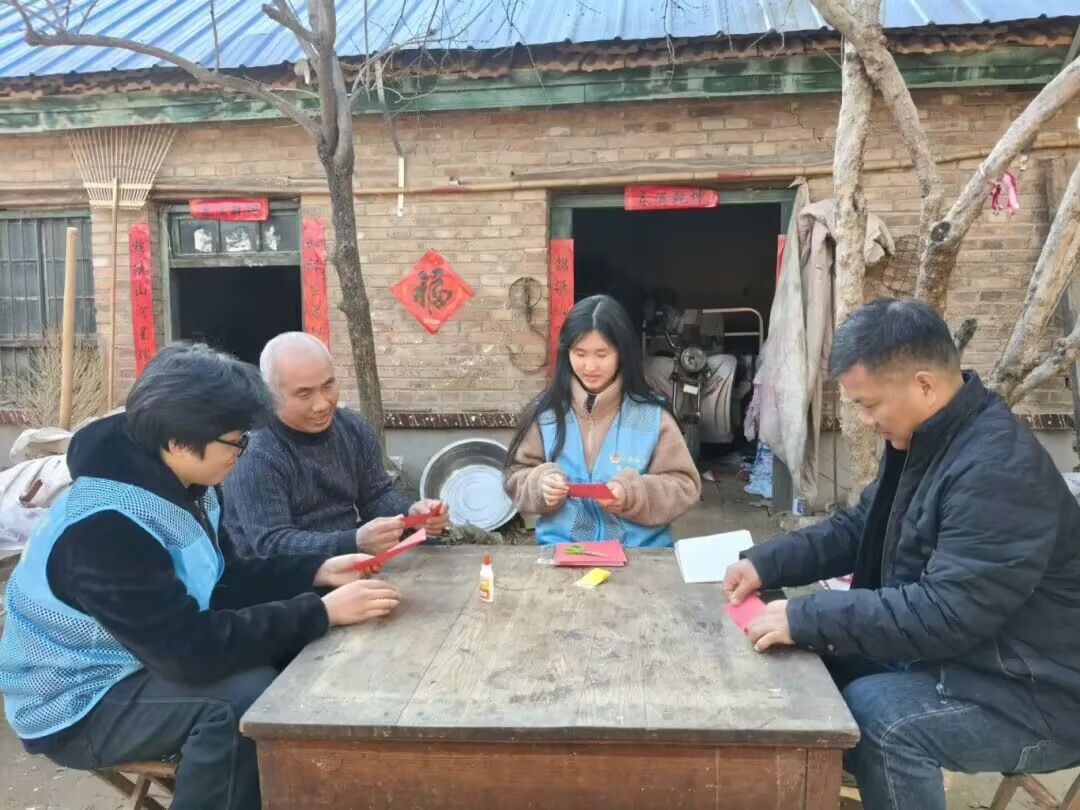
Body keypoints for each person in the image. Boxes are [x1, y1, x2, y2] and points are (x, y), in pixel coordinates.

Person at [0, 344, 401, 810]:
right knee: (239, 701)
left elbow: (223, 578)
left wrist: (317, 571)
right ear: (178, 442)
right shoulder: (107, 527)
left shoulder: (188, 484)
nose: (242, 453)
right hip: (78, 698)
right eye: (235, 441)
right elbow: (189, 653)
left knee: (297, 657)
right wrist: (320, 612)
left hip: (145, 655)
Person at [721, 298, 1080, 810]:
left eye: (869, 404)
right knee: (800, 661)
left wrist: (808, 614)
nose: (865, 420)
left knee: (880, 717)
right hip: (968, 655)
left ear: (924, 385)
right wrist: (766, 562)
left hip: (1038, 692)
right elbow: (860, 527)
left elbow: (945, 613)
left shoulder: (998, 470)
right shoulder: (929, 441)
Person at [223, 332, 448, 557]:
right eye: (304, 394)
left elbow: (376, 496)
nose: (322, 404)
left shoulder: (352, 428)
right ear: (270, 393)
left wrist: (412, 514)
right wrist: (352, 542)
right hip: (284, 573)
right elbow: (271, 543)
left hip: (351, 559)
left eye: (328, 386)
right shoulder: (256, 453)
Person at [504, 294, 701, 546]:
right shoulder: (546, 414)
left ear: (622, 353)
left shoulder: (652, 416)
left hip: (640, 554)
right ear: (566, 353)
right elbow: (515, 475)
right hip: (563, 551)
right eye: (580, 353)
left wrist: (632, 494)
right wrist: (540, 486)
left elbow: (684, 485)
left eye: (602, 354)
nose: (590, 366)